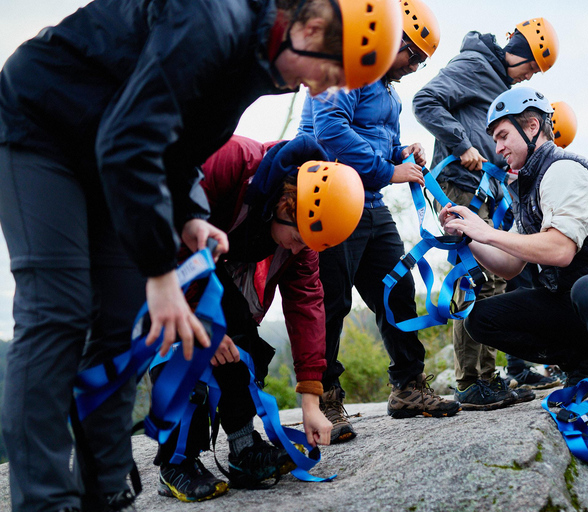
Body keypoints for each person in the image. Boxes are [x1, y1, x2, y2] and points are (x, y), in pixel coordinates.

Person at [0, 0, 403, 510]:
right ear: (313, 28)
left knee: (118, 324)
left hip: (114, 155)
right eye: (329, 73)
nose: (320, 89)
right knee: (59, 308)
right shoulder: (213, 21)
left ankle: (103, 491)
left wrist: (190, 214)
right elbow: (133, 138)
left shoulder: (255, 61)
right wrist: (163, 272)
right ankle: (44, 500)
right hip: (44, 125)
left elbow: (180, 148)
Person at [439, 86, 588, 448]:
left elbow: (560, 250)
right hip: (582, 302)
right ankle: (584, 362)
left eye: (502, 135)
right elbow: (511, 266)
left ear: (532, 126)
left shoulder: (563, 170)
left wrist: (487, 231)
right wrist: (469, 236)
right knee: (480, 318)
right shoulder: (527, 188)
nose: (497, 148)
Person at [153, 135, 364, 501]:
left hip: (213, 267)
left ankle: (244, 449)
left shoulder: (302, 230)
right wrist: (193, 319)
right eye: (298, 238)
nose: (299, 250)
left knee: (241, 341)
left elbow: (306, 304)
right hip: (156, 255)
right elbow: (161, 230)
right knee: (185, 346)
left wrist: (311, 401)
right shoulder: (230, 160)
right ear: (285, 204)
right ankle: (176, 462)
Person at [298, 0, 463, 443]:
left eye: (422, 61)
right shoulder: (346, 67)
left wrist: (402, 154)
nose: (415, 67)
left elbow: (379, 144)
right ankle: (326, 400)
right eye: (413, 55)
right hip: (328, 199)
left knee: (397, 289)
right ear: (392, 39)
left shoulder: (390, 92)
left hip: (370, 203)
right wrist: (388, 170)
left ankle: (408, 388)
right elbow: (329, 132)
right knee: (330, 303)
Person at [412, 18, 558, 408]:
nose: (529, 75)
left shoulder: (496, 79)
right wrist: (461, 146)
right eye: (530, 66)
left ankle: (487, 378)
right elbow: (425, 101)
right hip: (461, 184)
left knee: (492, 282)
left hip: (485, 190)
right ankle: (468, 382)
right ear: (521, 53)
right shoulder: (475, 64)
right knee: (471, 278)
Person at [502, 99, 577, 389]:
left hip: (528, 232)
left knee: (539, 287)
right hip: (514, 227)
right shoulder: (513, 148)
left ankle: (547, 364)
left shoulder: (559, 169)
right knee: (519, 288)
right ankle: (518, 369)